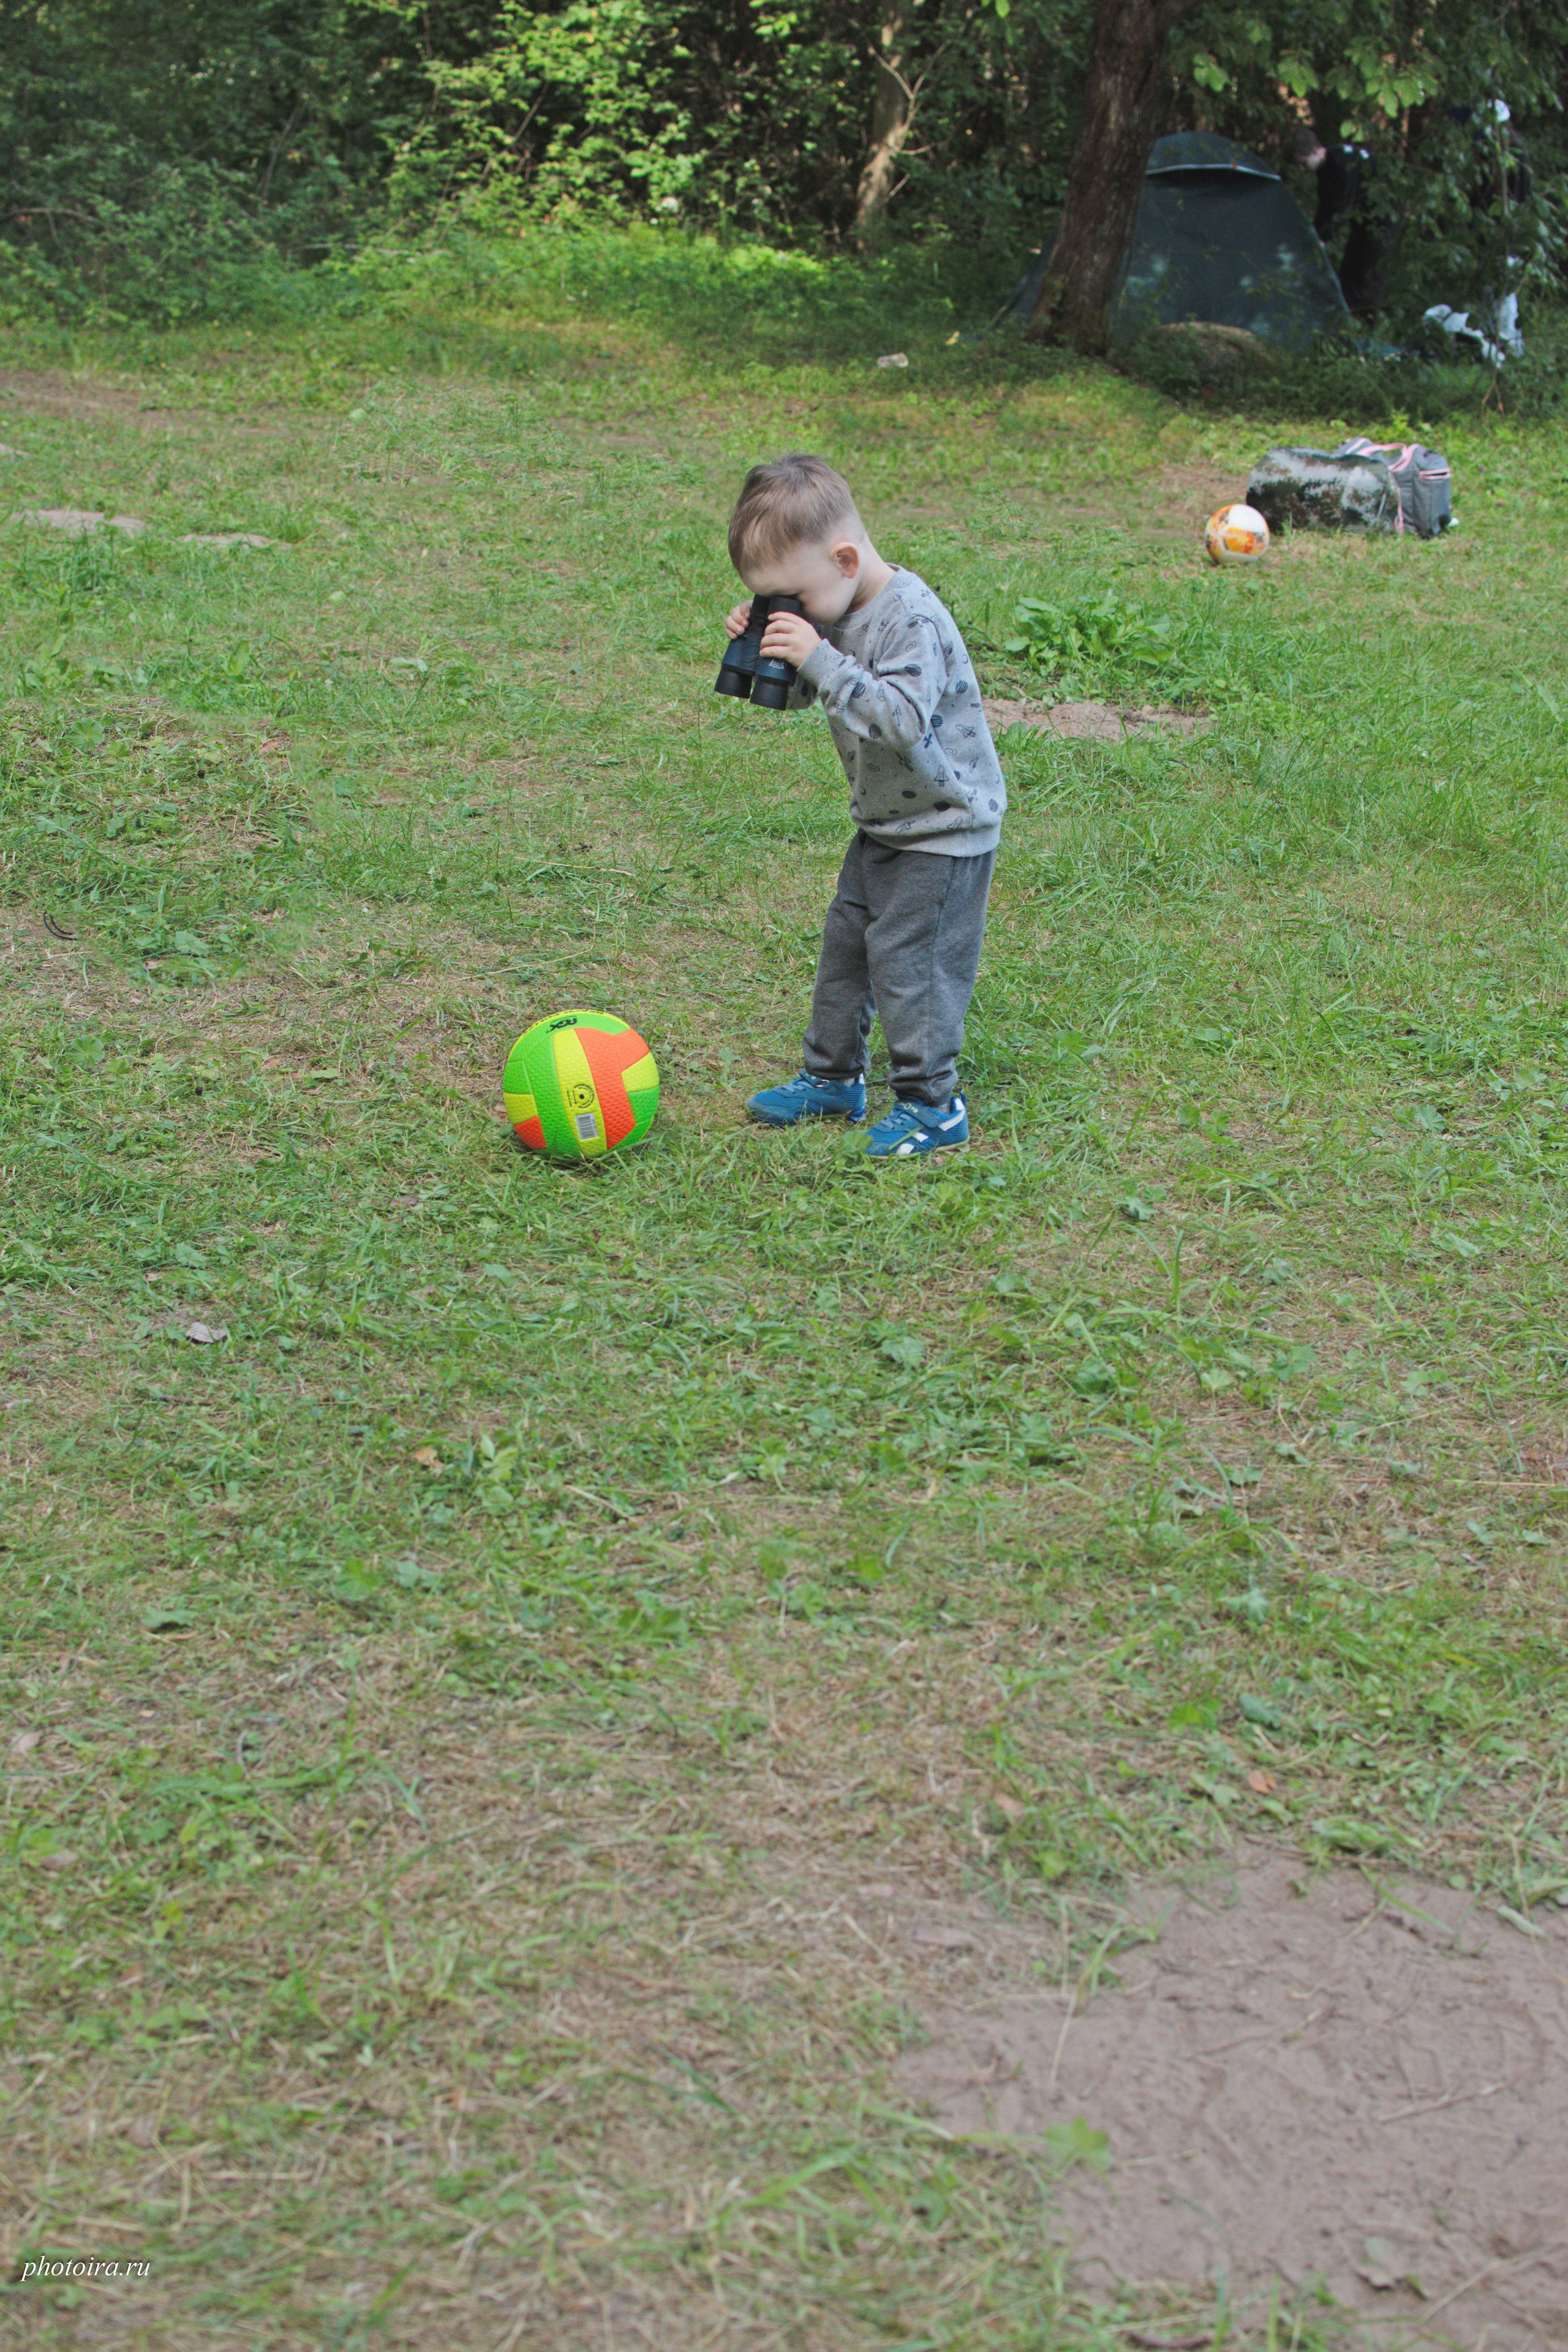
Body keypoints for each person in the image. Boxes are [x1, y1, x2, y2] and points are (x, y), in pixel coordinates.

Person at [722, 453, 1004, 1159]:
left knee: (913, 967)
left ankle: (933, 1104)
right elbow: (809, 692)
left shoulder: (911, 619)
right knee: (846, 952)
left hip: (944, 829)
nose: (794, 613)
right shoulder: (834, 604)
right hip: (883, 823)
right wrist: (768, 648)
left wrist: (817, 654)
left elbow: (902, 720)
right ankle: (832, 1077)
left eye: (794, 597)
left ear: (844, 558)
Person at [1290, 125, 1403, 325]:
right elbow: (1326, 210)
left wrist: (1323, 239)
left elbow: (1341, 209)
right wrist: (1314, 235)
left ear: (1316, 151)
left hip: (1385, 218)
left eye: (1303, 162)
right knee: (1350, 270)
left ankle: (1364, 329)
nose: (1301, 169)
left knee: (1369, 273)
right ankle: (1346, 324)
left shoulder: (1342, 163)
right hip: (1363, 220)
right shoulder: (1326, 171)